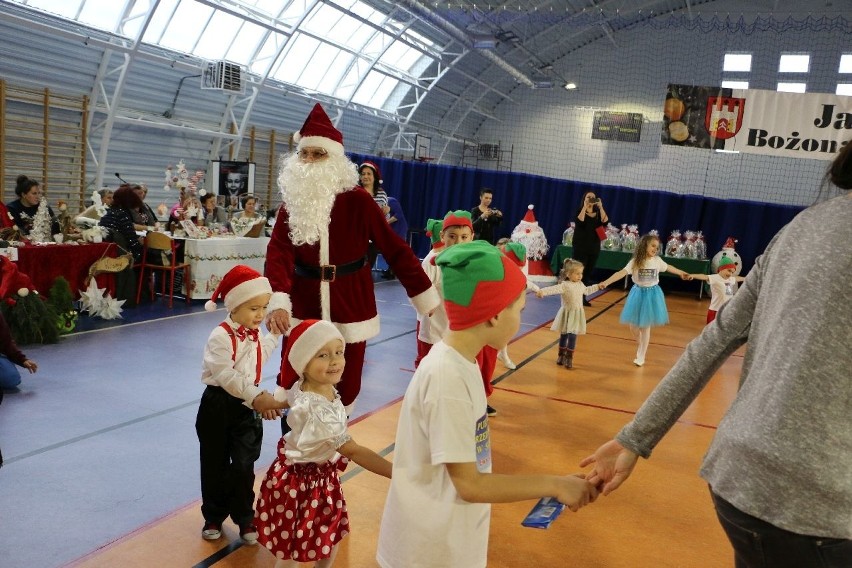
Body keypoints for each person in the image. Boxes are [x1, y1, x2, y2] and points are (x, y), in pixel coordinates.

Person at [580, 141, 852, 568]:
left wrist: (636, 437)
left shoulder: (803, 226)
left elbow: (712, 341)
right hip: (821, 508)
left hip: (737, 481)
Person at [377, 241, 598, 568]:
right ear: (495, 315)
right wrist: (554, 484)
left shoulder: (462, 364)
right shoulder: (447, 378)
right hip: (428, 551)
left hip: (448, 538)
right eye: (518, 311)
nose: (519, 319)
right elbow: (470, 484)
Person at [264, 102, 439, 418]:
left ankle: (335, 440)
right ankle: (292, 446)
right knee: (295, 372)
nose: (310, 161)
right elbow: (278, 252)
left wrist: (424, 297)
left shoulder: (359, 201)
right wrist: (278, 298)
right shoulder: (291, 205)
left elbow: (394, 247)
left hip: (351, 301)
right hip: (303, 301)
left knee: (346, 380)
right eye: (305, 154)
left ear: (334, 158)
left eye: (319, 154)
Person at [254, 319, 392, 567]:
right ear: (303, 364)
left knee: (326, 535)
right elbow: (352, 450)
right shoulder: (318, 409)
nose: (335, 361)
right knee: (297, 544)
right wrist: (396, 472)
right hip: (303, 484)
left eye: (339, 352)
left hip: (317, 480)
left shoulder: (309, 387)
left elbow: (291, 399)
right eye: (323, 355)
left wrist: (272, 403)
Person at [196, 265, 286, 545]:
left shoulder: (256, 333)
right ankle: (213, 515)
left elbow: (261, 355)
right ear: (233, 307)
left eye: (264, 308)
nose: (260, 315)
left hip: (247, 408)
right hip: (218, 405)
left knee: (244, 464)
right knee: (214, 462)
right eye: (253, 309)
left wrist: (275, 334)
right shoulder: (220, 337)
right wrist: (258, 398)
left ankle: (245, 516)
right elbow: (226, 375)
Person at [597, 234, 692, 366]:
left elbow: (669, 267)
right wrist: (606, 282)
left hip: (652, 294)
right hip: (637, 293)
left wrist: (681, 272)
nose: (655, 249)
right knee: (633, 327)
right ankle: (641, 344)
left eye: (657, 247)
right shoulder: (635, 262)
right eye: (653, 246)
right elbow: (621, 273)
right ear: (644, 245)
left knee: (645, 327)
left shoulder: (657, 260)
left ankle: (641, 355)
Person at [535, 259, 599, 369]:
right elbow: (553, 289)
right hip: (566, 313)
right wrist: (543, 291)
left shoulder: (580, 285)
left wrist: (598, 286)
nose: (580, 276)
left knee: (573, 336)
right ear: (568, 274)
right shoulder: (565, 285)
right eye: (577, 273)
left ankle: (569, 358)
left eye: (581, 273)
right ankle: (561, 355)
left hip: (576, 314)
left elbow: (587, 291)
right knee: (564, 335)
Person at [413, 217, 446, 368]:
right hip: (431, 323)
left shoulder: (446, 258)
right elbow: (422, 290)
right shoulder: (431, 260)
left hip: (444, 320)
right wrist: (428, 306)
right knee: (427, 360)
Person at [572, 191, 609, 306]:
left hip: (593, 248)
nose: (591, 199)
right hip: (580, 247)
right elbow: (580, 221)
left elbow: (605, 221)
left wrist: (601, 207)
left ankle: (582, 297)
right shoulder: (580, 211)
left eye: (593, 197)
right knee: (577, 272)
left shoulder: (598, 214)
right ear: (584, 198)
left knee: (587, 274)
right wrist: (585, 206)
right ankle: (573, 297)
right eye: (589, 197)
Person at [689, 254, 746, 324]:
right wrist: (692, 275)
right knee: (712, 330)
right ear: (721, 269)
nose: (730, 274)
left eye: (732, 272)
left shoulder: (730, 279)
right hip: (715, 310)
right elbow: (704, 276)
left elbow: (739, 278)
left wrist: (747, 278)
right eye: (729, 270)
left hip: (726, 310)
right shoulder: (715, 278)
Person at [98, 185, 145, 261]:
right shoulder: (122, 214)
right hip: (122, 254)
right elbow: (132, 241)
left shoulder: (107, 212)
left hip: (108, 252)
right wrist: (140, 243)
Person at [358, 160, 390, 270]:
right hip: (357, 238)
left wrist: (386, 212)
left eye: (368, 173)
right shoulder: (355, 193)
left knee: (367, 270)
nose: (365, 176)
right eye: (363, 174)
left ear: (375, 176)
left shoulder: (382, 194)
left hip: (372, 241)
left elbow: (385, 220)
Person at [381, 196, 409, 279]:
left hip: (399, 230)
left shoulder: (391, 201)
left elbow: (398, 215)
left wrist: (386, 223)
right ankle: (390, 270)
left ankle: (394, 272)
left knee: (396, 252)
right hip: (392, 230)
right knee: (391, 252)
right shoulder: (381, 205)